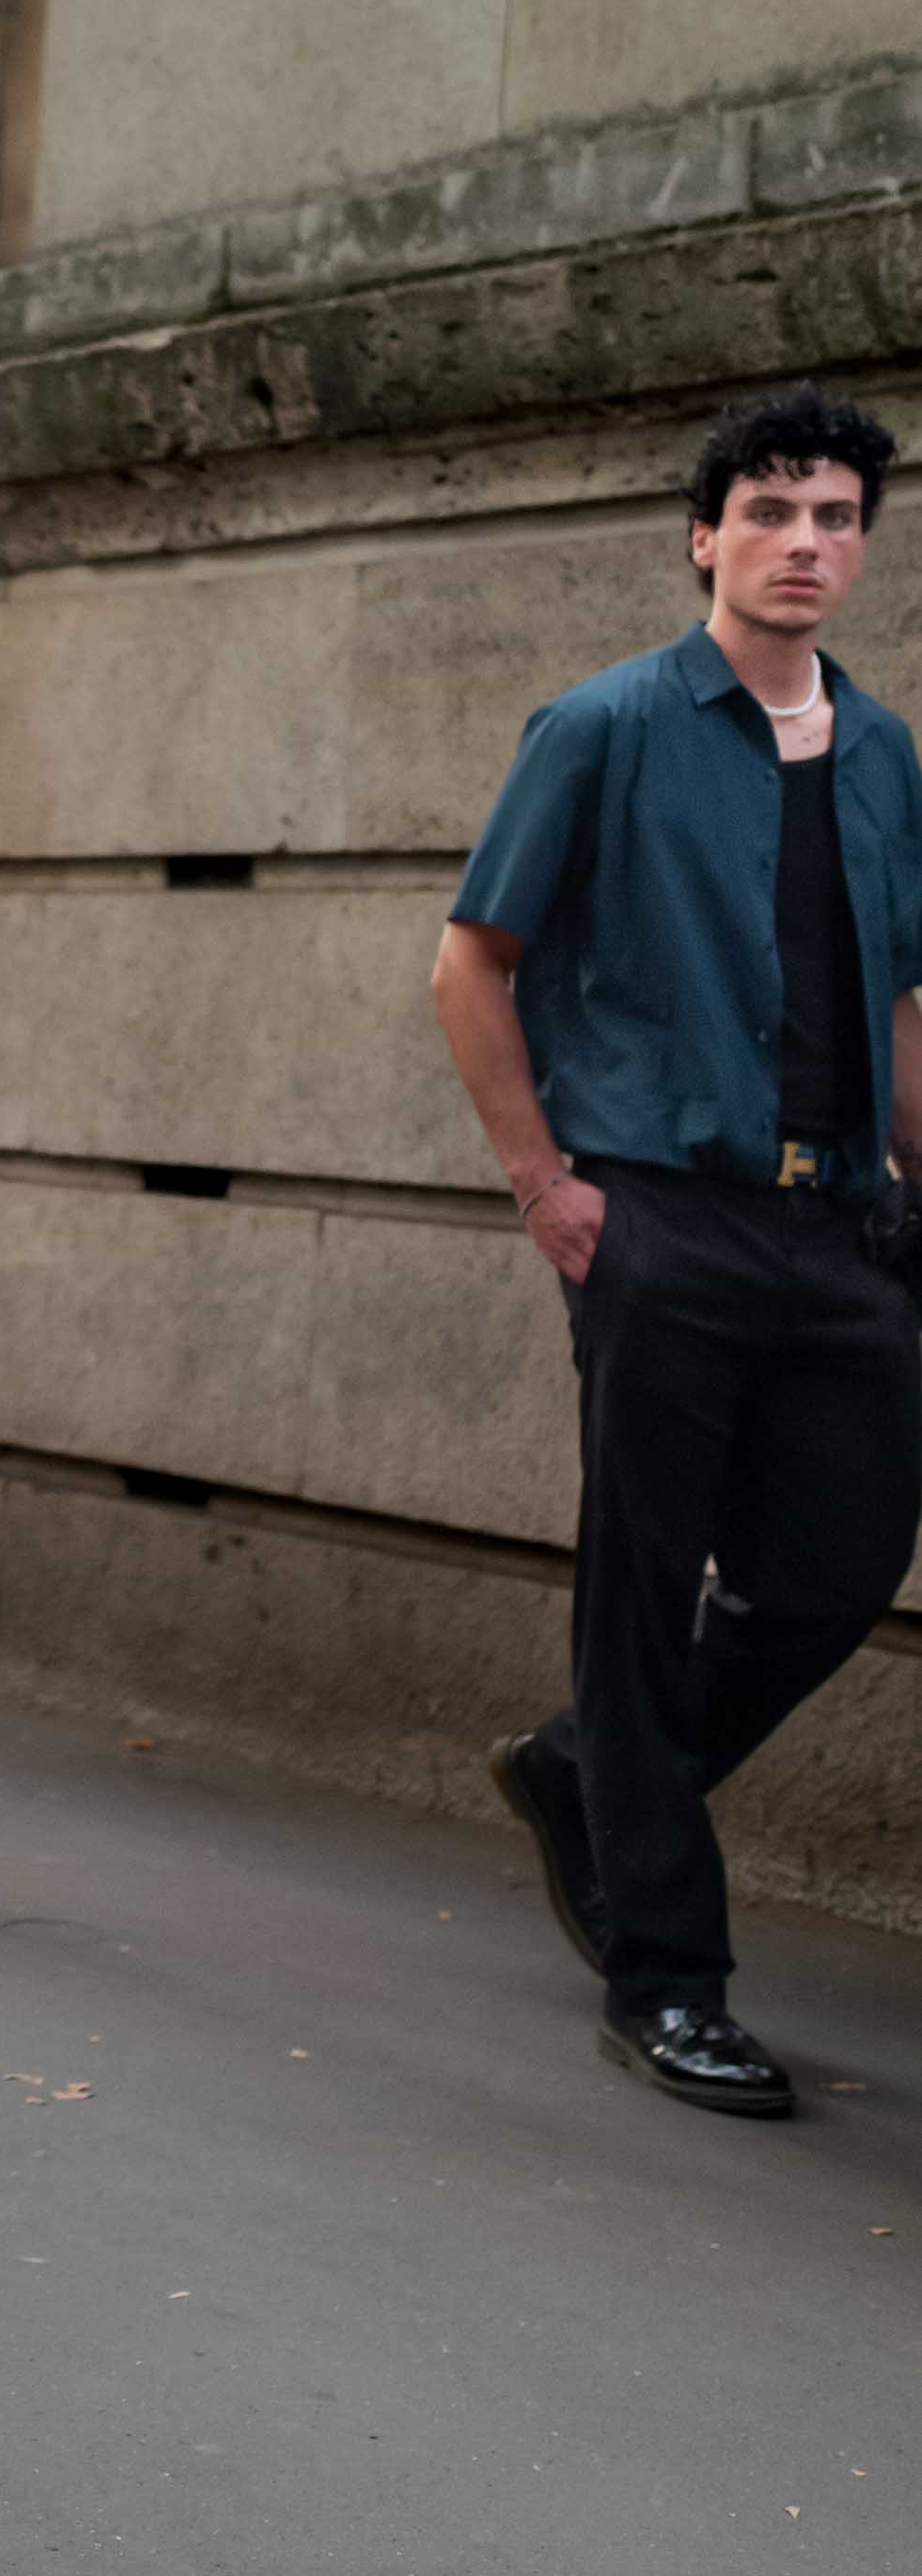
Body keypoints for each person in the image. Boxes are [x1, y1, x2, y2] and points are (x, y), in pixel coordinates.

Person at [438, 380, 922, 2118]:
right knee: (638, 1591)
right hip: (658, 1212)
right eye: (770, 512)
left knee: (837, 1561)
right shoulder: (602, 725)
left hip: (839, 1224)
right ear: (700, 534)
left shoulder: (878, 752)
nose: (802, 543)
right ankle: (666, 1973)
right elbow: (465, 964)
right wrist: (543, 1183)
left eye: (834, 518)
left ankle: (588, 1776)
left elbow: (896, 998)